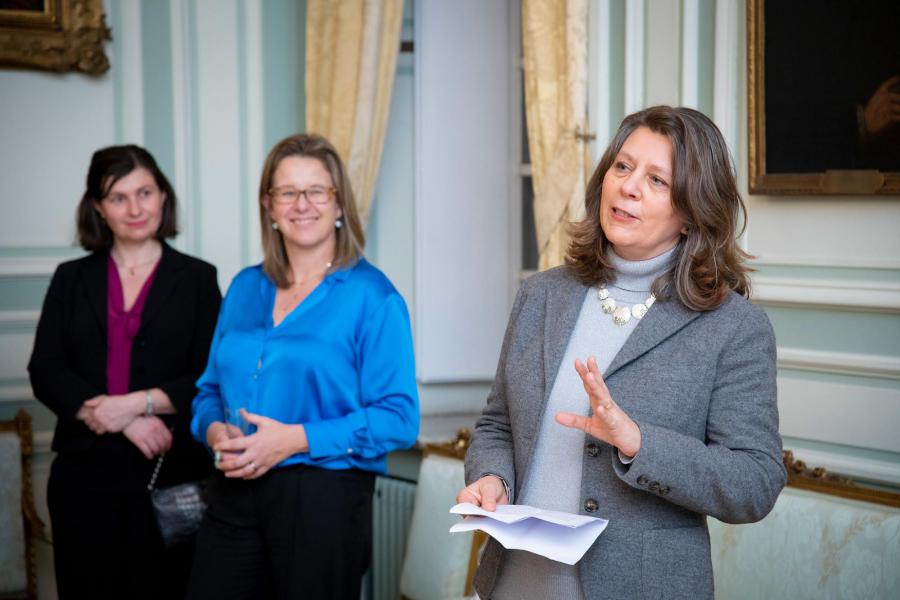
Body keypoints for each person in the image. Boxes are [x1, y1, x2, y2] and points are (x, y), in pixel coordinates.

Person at [457, 106, 786, 600]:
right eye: (623, 167)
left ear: (692, 211)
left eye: (657, 180)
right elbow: (497, 425)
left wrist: (637, 442)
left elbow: (755, 482)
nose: (629, 187)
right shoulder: (543, 294)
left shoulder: (733, 328)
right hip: (514, 584)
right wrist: (492, 478)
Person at [187, 133, 419, 600]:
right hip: (232, 488)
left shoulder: (374, 298)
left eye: (317, 190)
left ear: (338, 204)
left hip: (323, 499)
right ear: (269, 207)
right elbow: (208, 391)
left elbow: (399, 419)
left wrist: (292, 440)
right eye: (287, 192)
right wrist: (215, 432)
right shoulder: (244, 287)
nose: (302, 204)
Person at [28, 145, 221, 599]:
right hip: (83, 480)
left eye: (145, 192)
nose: (135, 209)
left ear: (163, 197)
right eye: (118, 197)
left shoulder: (198, 279)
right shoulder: (70, 278)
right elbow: (46, 369)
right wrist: (126, 421)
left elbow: (210, 377)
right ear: (97, 207)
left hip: (169, 478)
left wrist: (137, 403)